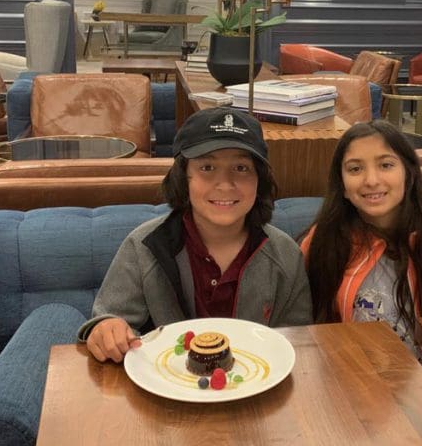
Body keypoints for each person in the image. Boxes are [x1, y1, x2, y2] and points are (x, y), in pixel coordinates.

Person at [80, 107, 313, 362]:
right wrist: (106, 330)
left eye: (241, 167)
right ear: (184, 177)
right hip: (166, 390)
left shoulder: (286, 255)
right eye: (207, 166)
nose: (224, 183)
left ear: (260, 180)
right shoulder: (144, 246)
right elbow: (109, 321)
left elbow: (298, 342)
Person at [301, 120, 422, 360]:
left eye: (386, 165)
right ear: (342, 185)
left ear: (408, 173)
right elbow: (304, 329)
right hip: (349, 380)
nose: (371, 180)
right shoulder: (322, 240)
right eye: (355, 169)